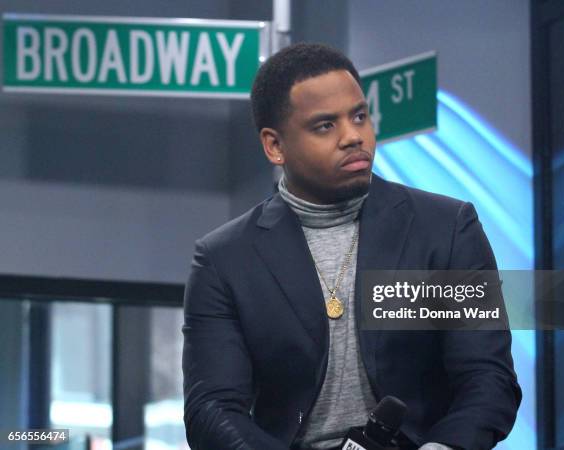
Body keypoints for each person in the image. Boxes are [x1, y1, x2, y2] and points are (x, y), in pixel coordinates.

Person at [182, 43, 521, 450]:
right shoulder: (225, 260)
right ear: (275, 146)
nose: (353, 136)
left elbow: (489, 379)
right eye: (325, 125)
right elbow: (212, 410)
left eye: (359, 116)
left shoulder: (446, 230)